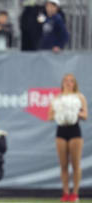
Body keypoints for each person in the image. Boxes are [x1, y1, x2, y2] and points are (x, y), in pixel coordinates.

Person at [48, 73, 88, 202]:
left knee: (75, 164)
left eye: (71, 81)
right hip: (61, 130)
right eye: (66, 80)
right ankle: (65, 192)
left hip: (74, 130)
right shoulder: (57, 98)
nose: (68, 83)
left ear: (74, 83)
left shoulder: (79, 97)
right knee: (63, 165)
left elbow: (85, 115)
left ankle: (75, 193)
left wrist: (74, 112)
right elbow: (49, 116)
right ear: (62, 83)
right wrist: (61, 113)